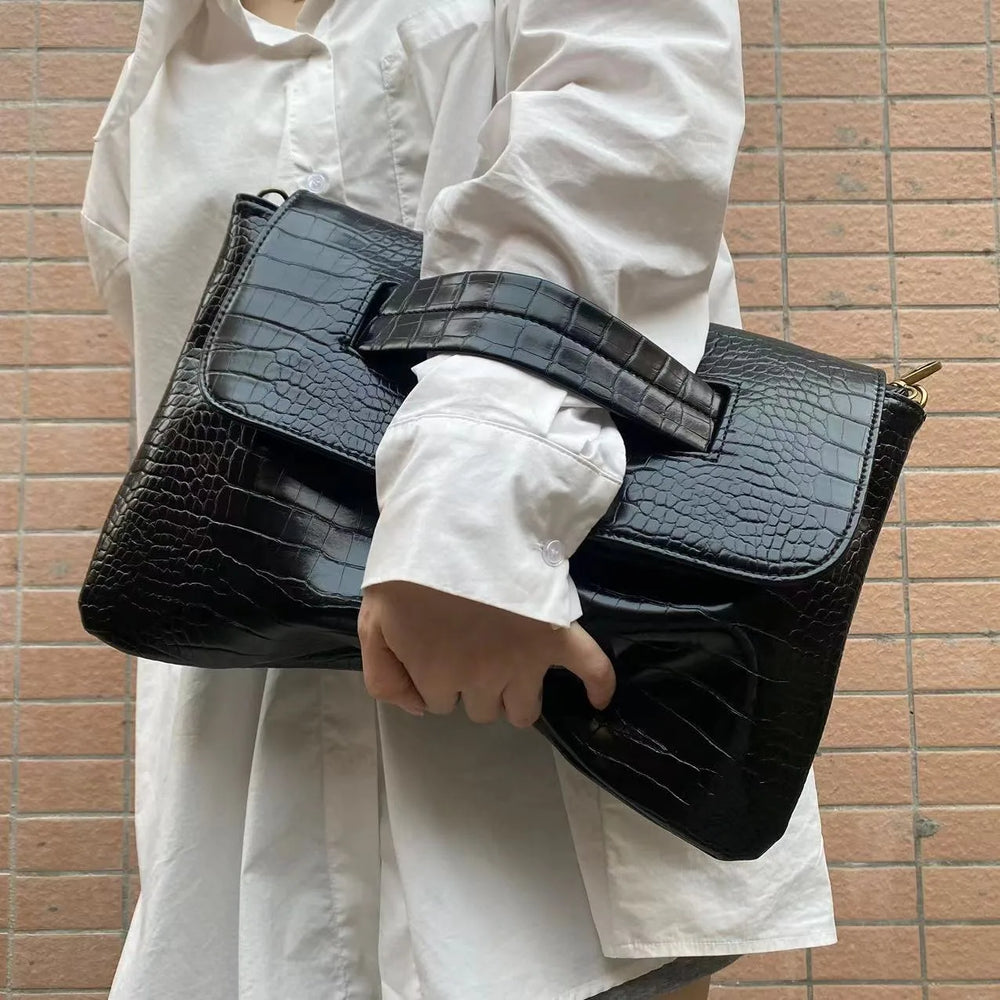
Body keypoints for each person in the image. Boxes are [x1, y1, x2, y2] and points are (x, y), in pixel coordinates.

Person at [79, 0, 838, 997]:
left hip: (535, 753)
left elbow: (610, 180)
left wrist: (473, 522)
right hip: (251, 800)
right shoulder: (177, 39)